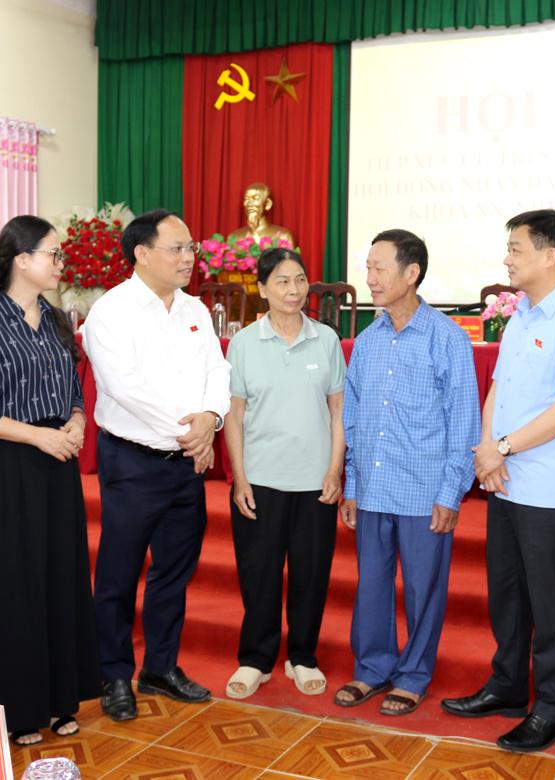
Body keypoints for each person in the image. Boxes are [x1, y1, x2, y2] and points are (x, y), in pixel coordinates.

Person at [442, 209, 555, 752]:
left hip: (548, 489)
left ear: (550, 255)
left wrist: (502, 448)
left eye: (516, 249)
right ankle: (508, 687)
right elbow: (498, 389)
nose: (507, 259)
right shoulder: (521, 317)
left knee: (553, 605)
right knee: (507, 594)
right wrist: (487, 452)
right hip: (505, 480)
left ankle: (554, 709)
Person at [0, 215, 99, 746]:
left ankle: (61, 698)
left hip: (57, 458)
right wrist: (36, 436)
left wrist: (75, 420)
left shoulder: (55, 318)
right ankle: (19, 708)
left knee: (61, 575)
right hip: (7, 461)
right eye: (53, 254)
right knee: (15, 581)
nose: (61, 263)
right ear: (22, 259)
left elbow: (73, 385)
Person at [82, 209, 230, 720]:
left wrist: (211, 417)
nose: (189, 258)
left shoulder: (194, 308)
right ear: (141, 253)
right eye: (177, 248)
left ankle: (160, 668)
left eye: (191, 248)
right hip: (134, 461)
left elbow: (218, 369)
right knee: (119, 574)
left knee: (174, 572)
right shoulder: (111, 311)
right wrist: (194, 433)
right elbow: (125, 388)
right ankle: (113, 674)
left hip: (185, 463)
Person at [334, 228, 480, 716]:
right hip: (374, 487)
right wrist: (353, 485)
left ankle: (413, 676)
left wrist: (451, 492)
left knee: (423, 592)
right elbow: (354, 419)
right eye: (368, 268)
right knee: (372, 587)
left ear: (411, 273)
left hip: (424, 492)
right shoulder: (368, 341)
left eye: (379, 268)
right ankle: (372, 668)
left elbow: (464, 422)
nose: (370, 278)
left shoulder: (447, 338)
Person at [222, 247, 345, 699]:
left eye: (299, 280)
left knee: (311, 574)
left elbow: (339, 412)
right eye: (282, 281)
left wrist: (334, 469)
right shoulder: (243, 343)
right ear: (262, 288)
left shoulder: (325, 340)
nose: (294, 290)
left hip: (315, 482)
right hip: (261, 479)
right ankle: (256, 659)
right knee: (260, 573)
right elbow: (234, 416)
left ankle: (302, 656)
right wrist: (240, 477)